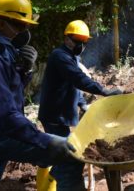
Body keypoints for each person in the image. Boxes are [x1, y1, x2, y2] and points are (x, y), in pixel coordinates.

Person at [0, 0, 80, 191]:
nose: (24, 31)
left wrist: (23, 69)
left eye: (26, 26)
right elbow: (6, 115)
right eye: (19, 25)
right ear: (0, 22)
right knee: (71, 154)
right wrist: (45, 140)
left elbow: (2, 90)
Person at [38, 20, 122, 186]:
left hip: (61, 116)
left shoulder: (72, 57)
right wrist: (103, 90)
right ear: (67, 39)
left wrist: (82, 104)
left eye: (84, 42)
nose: (81, 45)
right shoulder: (60, 56)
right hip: (54, 116)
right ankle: (63, 180)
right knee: (69, 159)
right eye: (77, 41)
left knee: (65, 156)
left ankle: (57, 174)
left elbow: (73, 86)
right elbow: (78, 79)